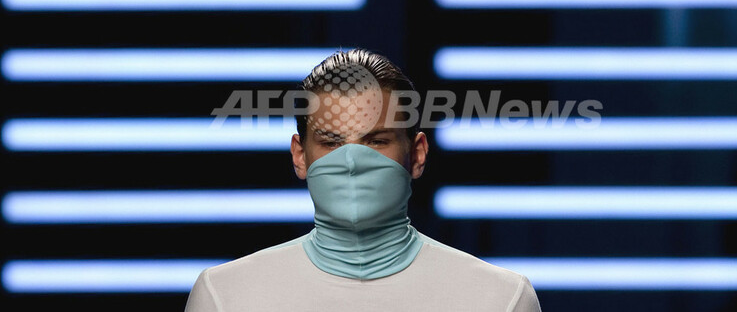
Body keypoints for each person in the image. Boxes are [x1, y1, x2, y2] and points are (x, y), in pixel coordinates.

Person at [185, 48, 542, 311]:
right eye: (331, 143)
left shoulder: (501, 299)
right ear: (300, 155)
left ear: (417, 154)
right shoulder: (225, 296)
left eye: (376, 141)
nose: (352, 162)